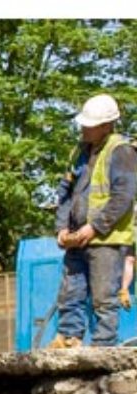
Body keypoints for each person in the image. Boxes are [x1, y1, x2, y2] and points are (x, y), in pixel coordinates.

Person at [49, 93, 137, 348]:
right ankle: (68, 338)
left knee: (103, 297)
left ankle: (103, 345)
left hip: (107, 239)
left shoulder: (121, 151)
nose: (84, 128)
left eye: (90, 124)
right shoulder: (79, 151)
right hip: (77, 237)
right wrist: (62, 228)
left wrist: (95, 227)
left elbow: (123, 196)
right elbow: (65, 192)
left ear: (107, 125)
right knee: (70, 292)